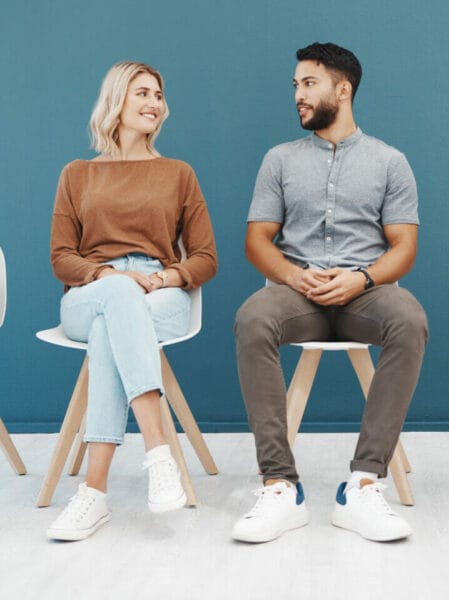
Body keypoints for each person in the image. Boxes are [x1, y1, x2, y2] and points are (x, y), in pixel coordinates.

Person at [233, 42, 427, 543]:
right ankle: (279, 487)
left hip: (365, 293)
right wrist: (294, 276)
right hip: (296, 295)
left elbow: (404, 248)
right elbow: (257, 240)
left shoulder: (390, 161)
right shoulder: (279, 159)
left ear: (343, 90)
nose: (298, 94)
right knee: (253, 319)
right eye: (296, 85)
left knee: (409, 319)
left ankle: (363, 484)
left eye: (309, 83)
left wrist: (361, 278)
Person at [46, 61, 218, 541]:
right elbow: (61, 256)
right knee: (115, 300)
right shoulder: (77, 174)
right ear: (116, 102)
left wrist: (167, 276)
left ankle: (92, 493)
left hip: (159, 292)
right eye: (142, 93)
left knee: (111, 328)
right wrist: (106, 275)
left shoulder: (178, 173)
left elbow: (205, 256)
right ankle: (158, 452)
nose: (154, 103)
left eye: (159, 95)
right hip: (91, 290)